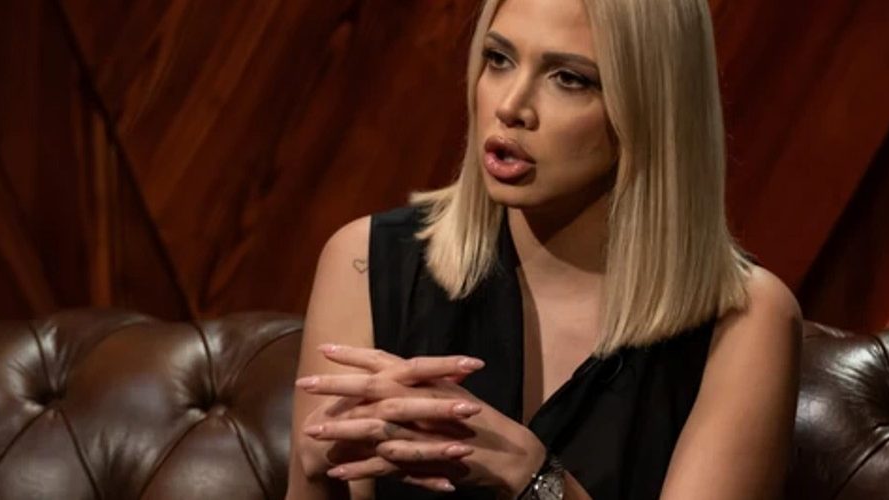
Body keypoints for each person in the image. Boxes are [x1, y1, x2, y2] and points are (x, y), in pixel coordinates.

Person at [285, 0, 802, 497]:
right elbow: (320, 476)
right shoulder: (363, 260)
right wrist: (314, 476)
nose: (510, 106)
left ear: (652, 106)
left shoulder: (746, 320)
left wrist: (532, 477)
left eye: (569, 79)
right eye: (498, 59)